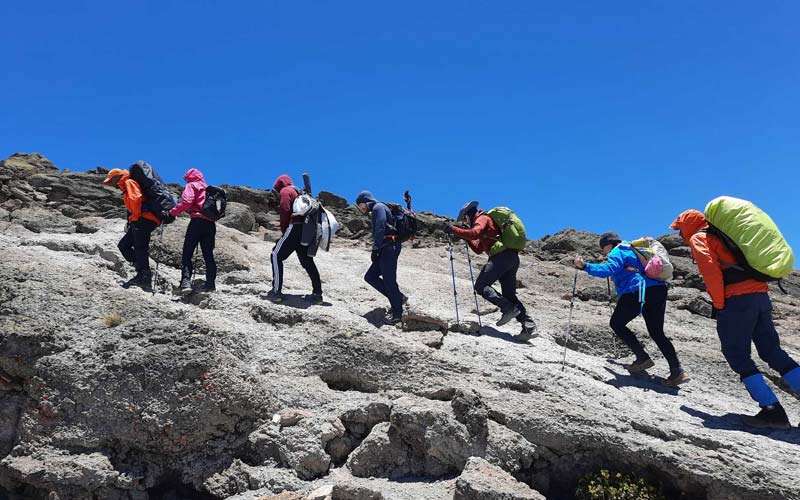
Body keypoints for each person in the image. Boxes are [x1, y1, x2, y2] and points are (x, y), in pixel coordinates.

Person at [672, 210, 800, 428]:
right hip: (760, 296)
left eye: (679, 229)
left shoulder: (699, 238)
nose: (679, 234)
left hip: (737, 301)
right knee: (772, 351)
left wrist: (720, 305)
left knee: (737, 355)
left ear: (688, 226)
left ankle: (772, 411)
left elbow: (711, 273)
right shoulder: (724, 235)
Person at [573, 232, 688, 386]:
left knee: (617, 324)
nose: (603, 251)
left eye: (603, 248)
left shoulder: (617, 250)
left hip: (637, 289)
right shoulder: (633, 249)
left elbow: (608, 269)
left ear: (608, 244)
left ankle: (642, 357)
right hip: (658, 289)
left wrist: (585, 265)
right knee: (657, 332)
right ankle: (677, 372)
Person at [446, 201, 536, 340]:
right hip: (512, 258)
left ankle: (508, 309)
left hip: (501, 257)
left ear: (468, 215)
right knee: (509, 294)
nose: (466, 221)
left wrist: (454, 230)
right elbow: (478, 248)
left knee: (481, 285)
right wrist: (464, 234)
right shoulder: (488, 222)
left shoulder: (482, 218)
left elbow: (474, 233)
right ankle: (528, 326)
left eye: (465, 218)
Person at [103, 168, 162, 291]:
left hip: (143, 219)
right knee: (124, 245)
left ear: (116, 177)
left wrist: (134, 218)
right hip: (142, 219)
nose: (111, 185)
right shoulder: (126, 184)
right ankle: (141, 268)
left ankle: (144, 276)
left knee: (140, 247)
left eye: (111, 181)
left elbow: (136, 199)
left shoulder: (129, 182)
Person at [267, 174, 323, 304]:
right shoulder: (299, 192)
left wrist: (284, 230)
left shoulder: (286, 191)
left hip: (294, 228)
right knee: (307, 261)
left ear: (279, 185)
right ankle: (317, 294)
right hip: (306, 230)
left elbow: (285, 210)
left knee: (275, 255)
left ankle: (276, 292)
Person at [356, 190, 405, 325]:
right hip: (386, 247)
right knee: (370, 277)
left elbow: (380, 226)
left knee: (389, 280)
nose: (360, 209)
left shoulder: (378, 207)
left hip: (388, 247)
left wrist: (375, 248)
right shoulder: (379, 208)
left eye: (360, 205)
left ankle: (397, 313)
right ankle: (398, 298)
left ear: (365, 201)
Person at [170, 168, 217, 294]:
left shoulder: (192, 185)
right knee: (208, 255)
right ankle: (210, 284)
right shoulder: (208, 189)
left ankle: (186, 283)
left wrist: (173, 212)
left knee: (187, 253)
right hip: (211, 224)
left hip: (197, 222)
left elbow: (186, 201)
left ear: (189, 177)